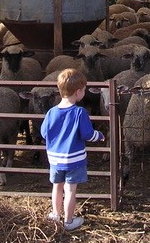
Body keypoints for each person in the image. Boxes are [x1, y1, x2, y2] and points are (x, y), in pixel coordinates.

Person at [40, 68, 105, 230]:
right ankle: (68, 221)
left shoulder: (51, 112)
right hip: (74, 160)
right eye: (83, 90)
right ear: (78, 92)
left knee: (57, 186)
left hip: (55, 159)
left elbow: (43, 132)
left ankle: (55, 215)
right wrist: (100, 136)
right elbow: (87, 134)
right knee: (70, 190)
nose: (84, 93)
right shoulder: (79, 112)